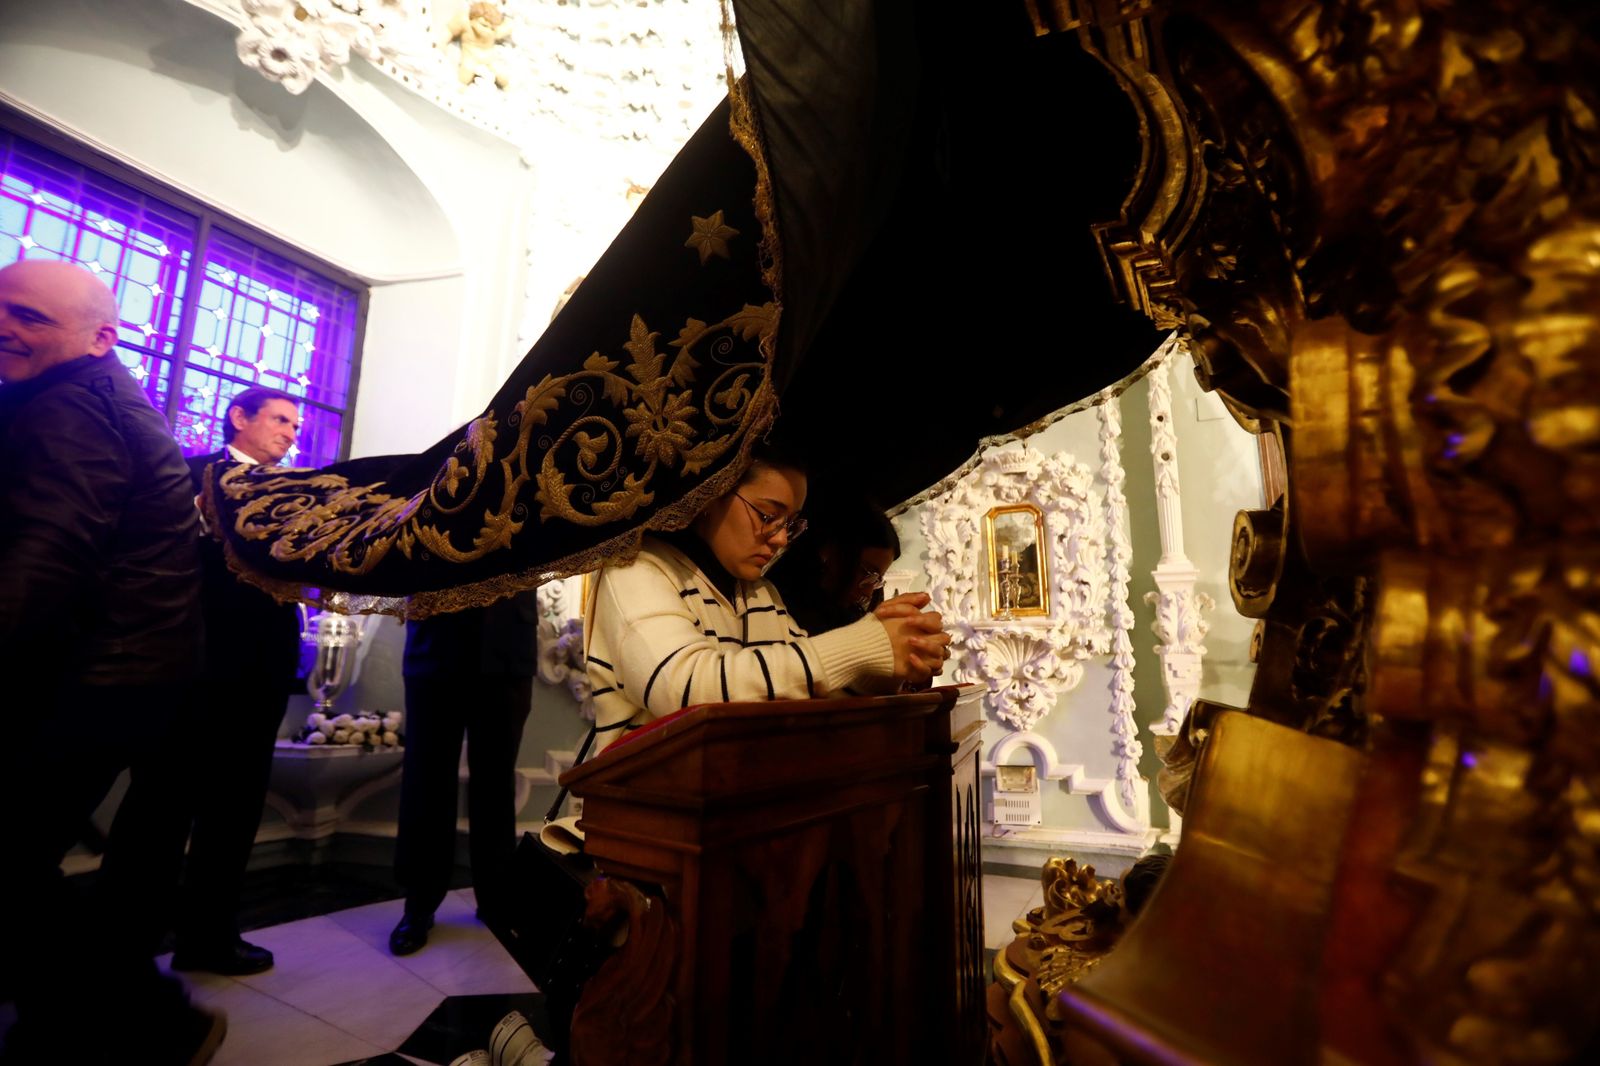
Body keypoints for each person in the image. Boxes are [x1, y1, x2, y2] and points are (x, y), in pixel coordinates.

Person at [0, 259, 224, 1062]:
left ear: (100, 337)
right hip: (135, 671)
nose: (5, 325)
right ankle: (116, 1017)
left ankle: (143, 1021)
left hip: (99, 673)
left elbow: (47, 550)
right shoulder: (93, 396)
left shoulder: (71, 408)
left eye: (29, 316)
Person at [103, 386, 304, 976]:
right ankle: (122, 947)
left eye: (295, 424)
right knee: (160, 805)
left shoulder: (299, 497)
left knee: (237, 805)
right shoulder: (188, 476)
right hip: (192, 666)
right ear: (238, 418)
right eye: (279, 419)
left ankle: (209, 937)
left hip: (262, 673)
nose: (291, 431)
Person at [584, 446, 951, 749]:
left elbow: (806, 688)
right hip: (642, 818)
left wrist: (893, 660)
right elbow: (687, 692)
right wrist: (866, 644)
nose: (779, 539)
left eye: (790, 524)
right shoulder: (635, 569)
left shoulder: (758, 592)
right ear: (711, 493)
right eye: (768, 515)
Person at [387, 592, 539, 955]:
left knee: (497, 781)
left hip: (507, 642)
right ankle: (419, 903)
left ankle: (496, 900)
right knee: (426, 779)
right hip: (434, 640)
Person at [766, 486, 903, 635]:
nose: (868, 592)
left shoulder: (849, 618)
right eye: (866, 572)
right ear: (828, 551)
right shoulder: (773, 605)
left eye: (876, 580)